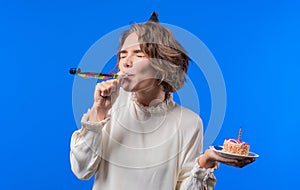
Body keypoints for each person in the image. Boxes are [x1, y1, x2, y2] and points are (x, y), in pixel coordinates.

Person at [70, 12, 255, 190]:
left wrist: (206, 161)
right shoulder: (109, 105)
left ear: (163, 66)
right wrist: (98, 112)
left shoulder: (189, 123)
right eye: (122, 55)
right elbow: (81, 170)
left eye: (139, 54)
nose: (126, 62)